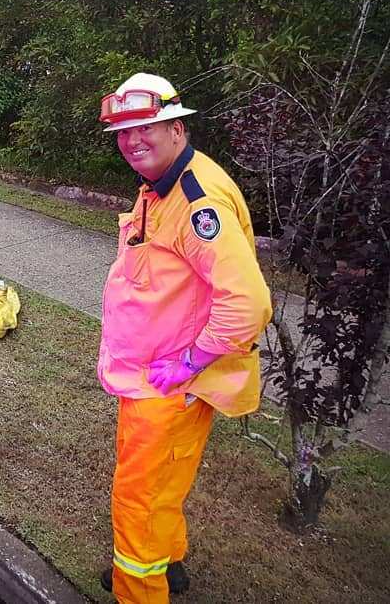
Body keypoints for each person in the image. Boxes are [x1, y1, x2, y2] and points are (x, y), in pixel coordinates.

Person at [95, 73, 272, 602]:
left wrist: (192, 361)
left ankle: (139, 590)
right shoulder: (160, 183)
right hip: (148, 380)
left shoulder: (198, 201)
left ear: (176, 126)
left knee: (138, 500)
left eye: (146, 127)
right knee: (158, 487)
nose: (133, 141)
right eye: (124, 131)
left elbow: (248, 304)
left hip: (168, 387)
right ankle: (166, 564)